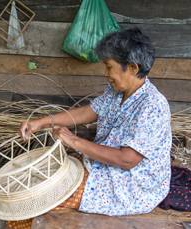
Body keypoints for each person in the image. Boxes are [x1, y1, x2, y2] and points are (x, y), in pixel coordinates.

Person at [19, 28, 172, 218]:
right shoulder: (116, 90)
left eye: (109, 67)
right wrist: (41, 123)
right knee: (36, 185)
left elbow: (127, 160)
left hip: (132, 185)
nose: (106, 73)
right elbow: (88, 111)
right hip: (103, 166)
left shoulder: (153, 105)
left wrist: (74, 141)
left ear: (133, 68)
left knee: (40, 200)